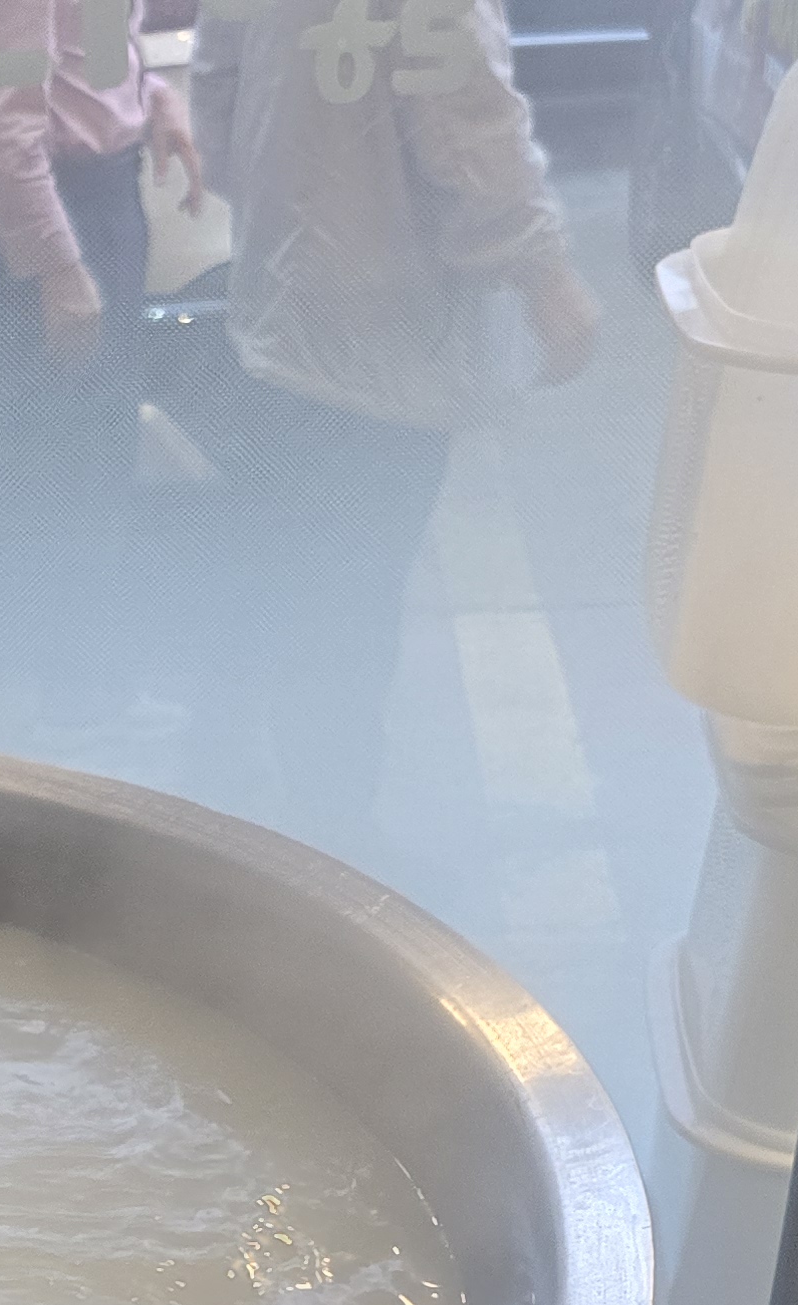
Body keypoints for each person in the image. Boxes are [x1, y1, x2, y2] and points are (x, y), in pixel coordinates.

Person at [187, 0, 597, 834]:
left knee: (288, 566)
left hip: (283, 303)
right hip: (384, 321)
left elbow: (216, 84)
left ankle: (237, 796)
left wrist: (280, 192)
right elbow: (463, 112)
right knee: (350, 594)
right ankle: (331, 845)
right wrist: (543, 272)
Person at [0, 0, 202, 535]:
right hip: (56, 216)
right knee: (56, 497)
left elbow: (80, 43)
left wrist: (149, 94)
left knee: (95, 474)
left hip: (93, 205)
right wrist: (55, 266)